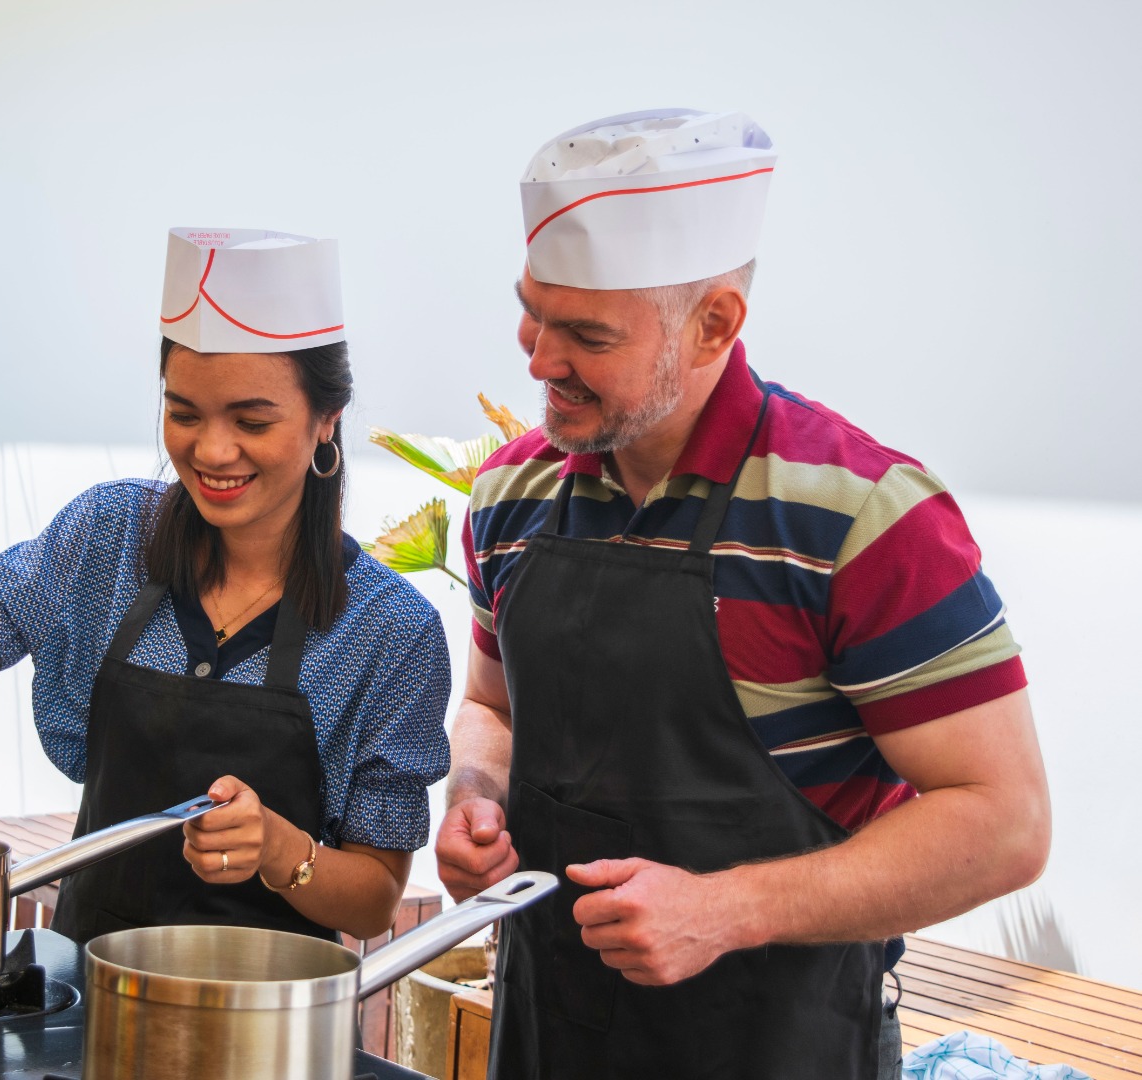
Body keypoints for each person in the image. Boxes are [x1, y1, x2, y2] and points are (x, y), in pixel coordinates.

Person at [434, 110, 1052, 1079]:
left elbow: (1004, 822)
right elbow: (490, 706)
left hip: (779, 1047)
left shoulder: (861, 518)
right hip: (544, 1038)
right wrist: (475, 793)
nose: (539, 360)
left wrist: (726, 911)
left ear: (716, 322)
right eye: (531, 311)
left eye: (585, 334)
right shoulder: (513, 496)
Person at [0, 227, 451, 944]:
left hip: (267, 1026)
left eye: (252, 420)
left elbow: (372, 903)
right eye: (183, 414)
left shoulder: (391, 631)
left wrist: (277, 849)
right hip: (90, 996)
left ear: (326, 420)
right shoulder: (107, 538)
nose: (210, 451)